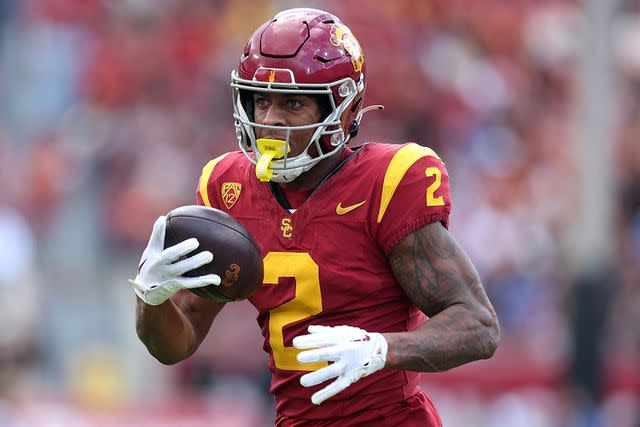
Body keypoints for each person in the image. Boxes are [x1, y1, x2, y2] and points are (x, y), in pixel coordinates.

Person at [130, 8, 500, 427]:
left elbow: (478, 325)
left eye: (293, 102)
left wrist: (381, 350)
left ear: (342, 110)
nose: (270, 120)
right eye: (261, 99)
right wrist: (152, 300)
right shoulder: (226, 187)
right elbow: (177, 343)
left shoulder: (386, 184)